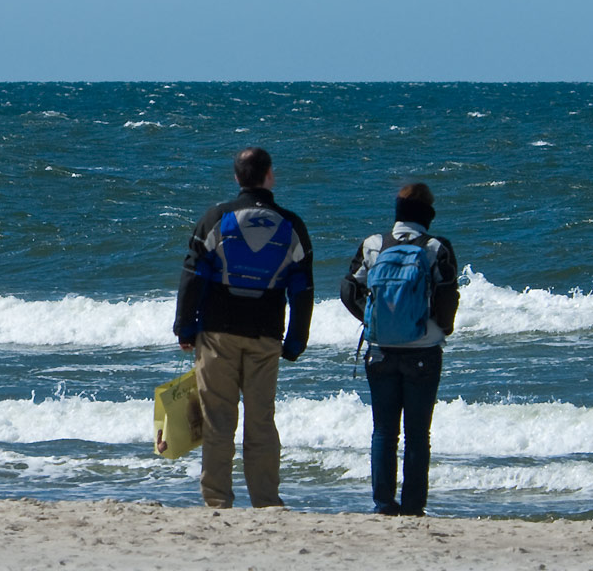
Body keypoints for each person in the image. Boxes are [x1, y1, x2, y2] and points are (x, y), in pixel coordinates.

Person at [173, 147, 313, 509]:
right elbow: (303, 290)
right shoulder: (291, 225)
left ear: (237, 178)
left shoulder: (216, 218)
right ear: (269, 176)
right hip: (266, 335)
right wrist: (296, 340)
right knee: (261, 422)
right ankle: (266, 502)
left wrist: (185, 328)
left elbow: (192, 276)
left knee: (218, 420)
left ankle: (218, 500)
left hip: (217, 332)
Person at [339, 182, 460, 517]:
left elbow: (348, 288)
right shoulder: (437, 247)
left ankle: (382, 503)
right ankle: (413, 506)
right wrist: (441, 327)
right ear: (428, 214)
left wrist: (371, 319)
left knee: (383, 431)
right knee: (418, 433)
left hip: (379, 350)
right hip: (423, 351)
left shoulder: (374, 245)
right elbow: (448, 297)